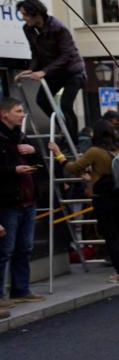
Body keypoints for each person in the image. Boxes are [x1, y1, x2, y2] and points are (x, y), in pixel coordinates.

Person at [51, 119, 119, 282]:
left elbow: (72, 168)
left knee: (110, 236)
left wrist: (59, 155)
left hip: (103, 199)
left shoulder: (95, 152)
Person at [14, 0, 86, 141]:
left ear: (36, 14)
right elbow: (35, 52)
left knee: (66, 104)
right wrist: (31, 69)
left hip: (72, 71)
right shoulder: (28, 29)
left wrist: (44, 71)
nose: (23, 18)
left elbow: (67, 54)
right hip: (55, 72)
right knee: (41, 100)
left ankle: (73, 141)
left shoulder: (58, 28)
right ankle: (63, 128)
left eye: (25, 15)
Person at [0, 98, 45, 310]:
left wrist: (34, 152)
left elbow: (41, 166)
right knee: (4, 250)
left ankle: (21, 289)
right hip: (8, 202)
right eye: (18, 111)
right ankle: (1, 295)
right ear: (4, 114)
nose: (22, 114)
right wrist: (13, 170)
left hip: (28, 200)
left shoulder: (22, 136)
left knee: (25, 248)